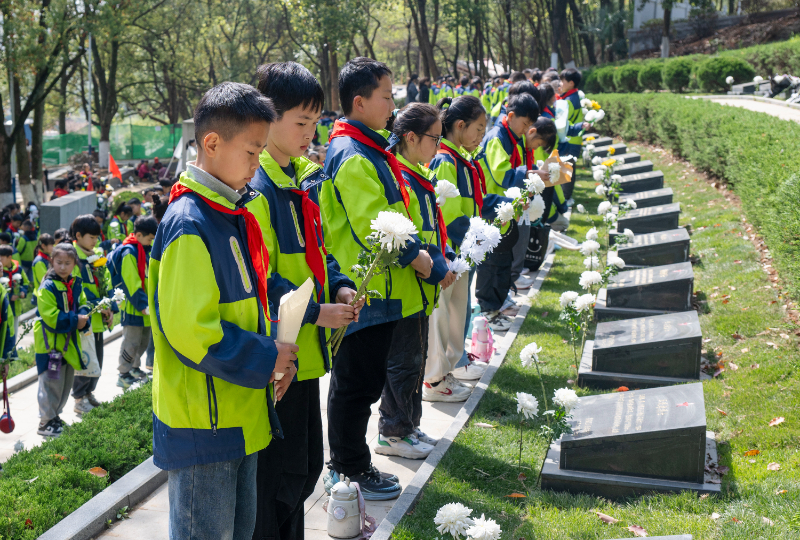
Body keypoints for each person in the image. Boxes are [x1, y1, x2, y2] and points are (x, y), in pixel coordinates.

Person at [151, 81, 298, 540]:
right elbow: (193, 332)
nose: (257, 164)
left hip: (238, 416)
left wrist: (276, 355)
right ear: (211, 143)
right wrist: (266, 356)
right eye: (252, 152)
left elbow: (249, 306)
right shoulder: (191, 222)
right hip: (206, 427)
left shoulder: (230, 212)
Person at [249, 61, 364, 540]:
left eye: (315, 121)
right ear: (267, 117)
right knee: (280, 479)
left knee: (304, 469)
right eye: (301, 122)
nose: (310, 133)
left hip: (305, 356)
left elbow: (319, 253)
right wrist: (318, 312)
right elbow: (261, 277)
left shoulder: (300, 179)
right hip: (282, 357)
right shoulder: (258, 188)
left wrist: (339, 285)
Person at [318, 57, 434, 500]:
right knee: (354, 384)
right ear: (360, 102)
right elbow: (376, 222)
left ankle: (353, 463)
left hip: (379, 287)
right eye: (386, 96)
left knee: (364, 383)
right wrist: (421, 259)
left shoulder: (370, 147)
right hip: (362, 287)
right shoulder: (351, 154)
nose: (393, 104)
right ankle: (347, 468)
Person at [376, 102, 454, 460]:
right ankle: (393, 431)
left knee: (415, 359)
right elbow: (412, 237)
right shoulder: (402, 178)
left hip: (420, 286)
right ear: (410, 137)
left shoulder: (417, 174)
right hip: (406, 285)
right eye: (434, 138)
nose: (438, 146)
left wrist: (444, 258)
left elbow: (431, 229)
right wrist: (436, 268)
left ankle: (409, 424)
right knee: (402, 362)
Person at [425, 96, 493, 400]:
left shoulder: (461, 159)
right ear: (460, 125)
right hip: (451, 252)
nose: (480, 137)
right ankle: (436, 378)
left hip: (464, 250)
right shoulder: (445, 160)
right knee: (444, 314)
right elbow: (448, 214)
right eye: (478, 129)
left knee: (457, 312)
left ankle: (452, 364)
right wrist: (473, 238)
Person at [476, 92, 544, 331]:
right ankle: (487, 311)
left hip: (505, 210)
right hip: (493, 207)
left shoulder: (511, 136)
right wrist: (530, 174)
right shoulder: (498, 137)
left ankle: (497, 305)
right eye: (525, 124)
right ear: (511, 115)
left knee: (502, 259)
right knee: (490, 263)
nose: (526, 130)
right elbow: (502, 175)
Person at [33, 243, 90, 437]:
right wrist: (75, 320)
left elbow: (83, 302)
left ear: (74, 263)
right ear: (52, 262)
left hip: (68, 344)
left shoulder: (75, 283)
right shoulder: (47, 287)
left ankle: (55, 416)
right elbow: (51, 317)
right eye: (59, 262)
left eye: (68, 263)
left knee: (64, 383)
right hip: (50, 345)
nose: (63, 267)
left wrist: (84, 316)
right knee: (50, 383)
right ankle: (45, 421)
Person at [70, 215, 114, 415]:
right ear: (78, 236)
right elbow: (78, 291)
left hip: (97, 320)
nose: (95, 241)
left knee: (97, 360)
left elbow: (106, 282)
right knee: (85, 359)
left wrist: (109, 306)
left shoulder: (97, 256)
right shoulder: (73, 258)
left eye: (97, 237)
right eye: (91, 237)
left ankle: (89, 393)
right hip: (84, 320)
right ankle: (79, 398)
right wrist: (98, 305)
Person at [109, 215, 158, 388]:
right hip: (134, 307)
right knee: (131, 342)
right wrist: (142, 304)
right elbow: (131, 282)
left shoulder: (143, 250)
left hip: (145, 307)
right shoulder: (129, 252)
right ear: (138, 235)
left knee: (143, 342)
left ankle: (135, 368)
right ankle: (123, 373)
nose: (151, 242)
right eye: (150, 239)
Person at [557, 68, 590, 202]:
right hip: (574, 139)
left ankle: (566, 198)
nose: (560, 83)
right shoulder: (573, 96)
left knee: (567, 169)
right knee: (568, 168)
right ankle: (566, 197)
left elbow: (562, 121)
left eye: (562, 81)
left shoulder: (569, 100)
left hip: (570, 140)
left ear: (571, 83)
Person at [0, 245, 30, 340]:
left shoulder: (18, 269)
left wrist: (23, 291)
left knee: (14, 330)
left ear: (9, 257)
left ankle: (13, 347)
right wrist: (9, 296)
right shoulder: (1, 271)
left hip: (15, 306)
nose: (0, 260)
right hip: (3, 306)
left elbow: (25, 282)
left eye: (1, 258)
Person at [32, 233, 55, 299]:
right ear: (43, 246)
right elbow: (43, 280)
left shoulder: (47, 257)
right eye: (51, 245)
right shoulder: (39, 261)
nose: (53, 248)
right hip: (41, 295)